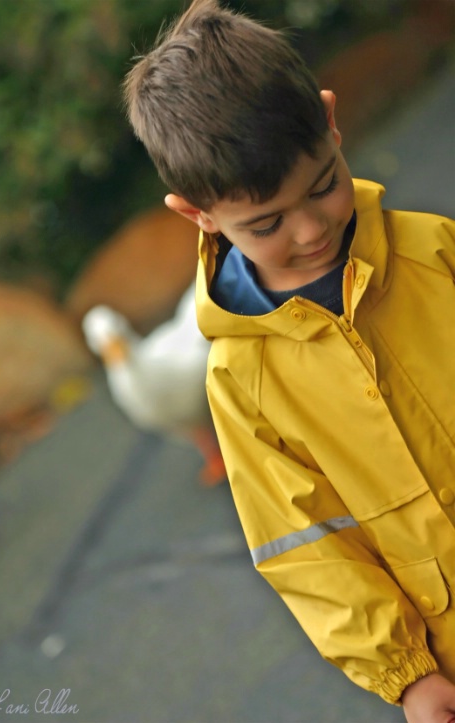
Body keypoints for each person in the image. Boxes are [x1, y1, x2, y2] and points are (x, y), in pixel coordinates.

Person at [123, 0, 455, 719]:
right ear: (198, 214)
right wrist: (405, 671)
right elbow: (307, 548)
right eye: (266, 222)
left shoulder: (434, 253)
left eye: (323, 184)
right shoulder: (241, 381)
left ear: (330, 123)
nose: (310, 229)